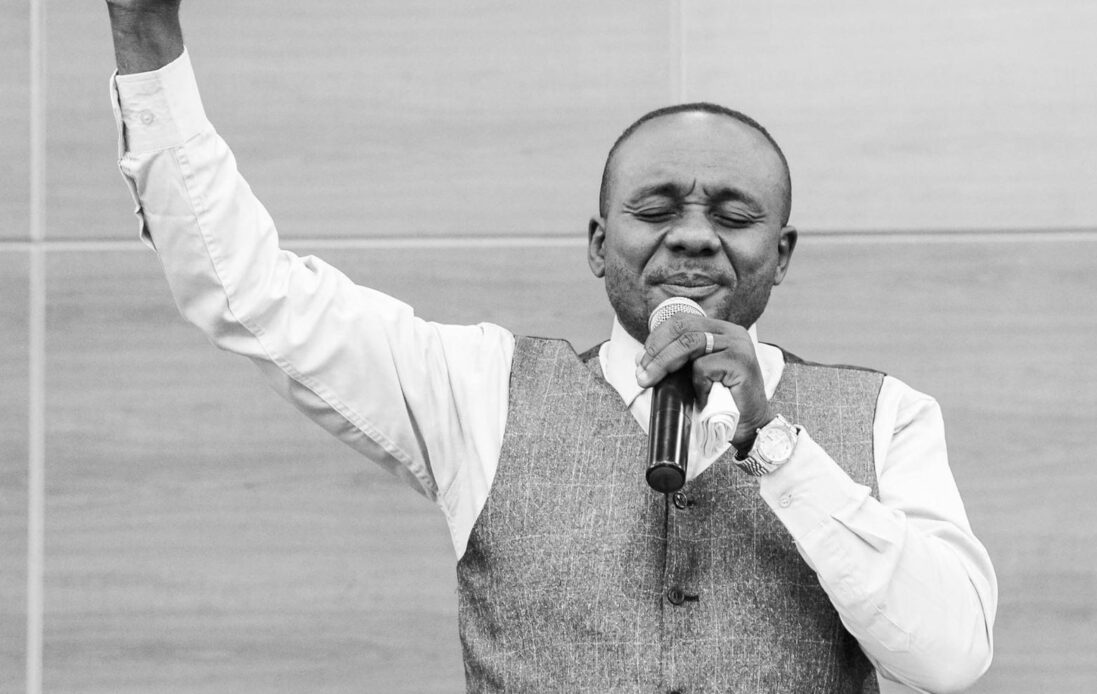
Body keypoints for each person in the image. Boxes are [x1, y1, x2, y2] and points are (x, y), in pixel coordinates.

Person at [104, 2, 997, 692]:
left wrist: (776, 447)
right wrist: (147, 31)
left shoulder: (886, 417)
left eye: (733, 215)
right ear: (599, 244)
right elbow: (248, 289)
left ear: (783, 253)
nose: (693, 236)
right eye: (655, 209)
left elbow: (951, 657)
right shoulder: (481, 392)